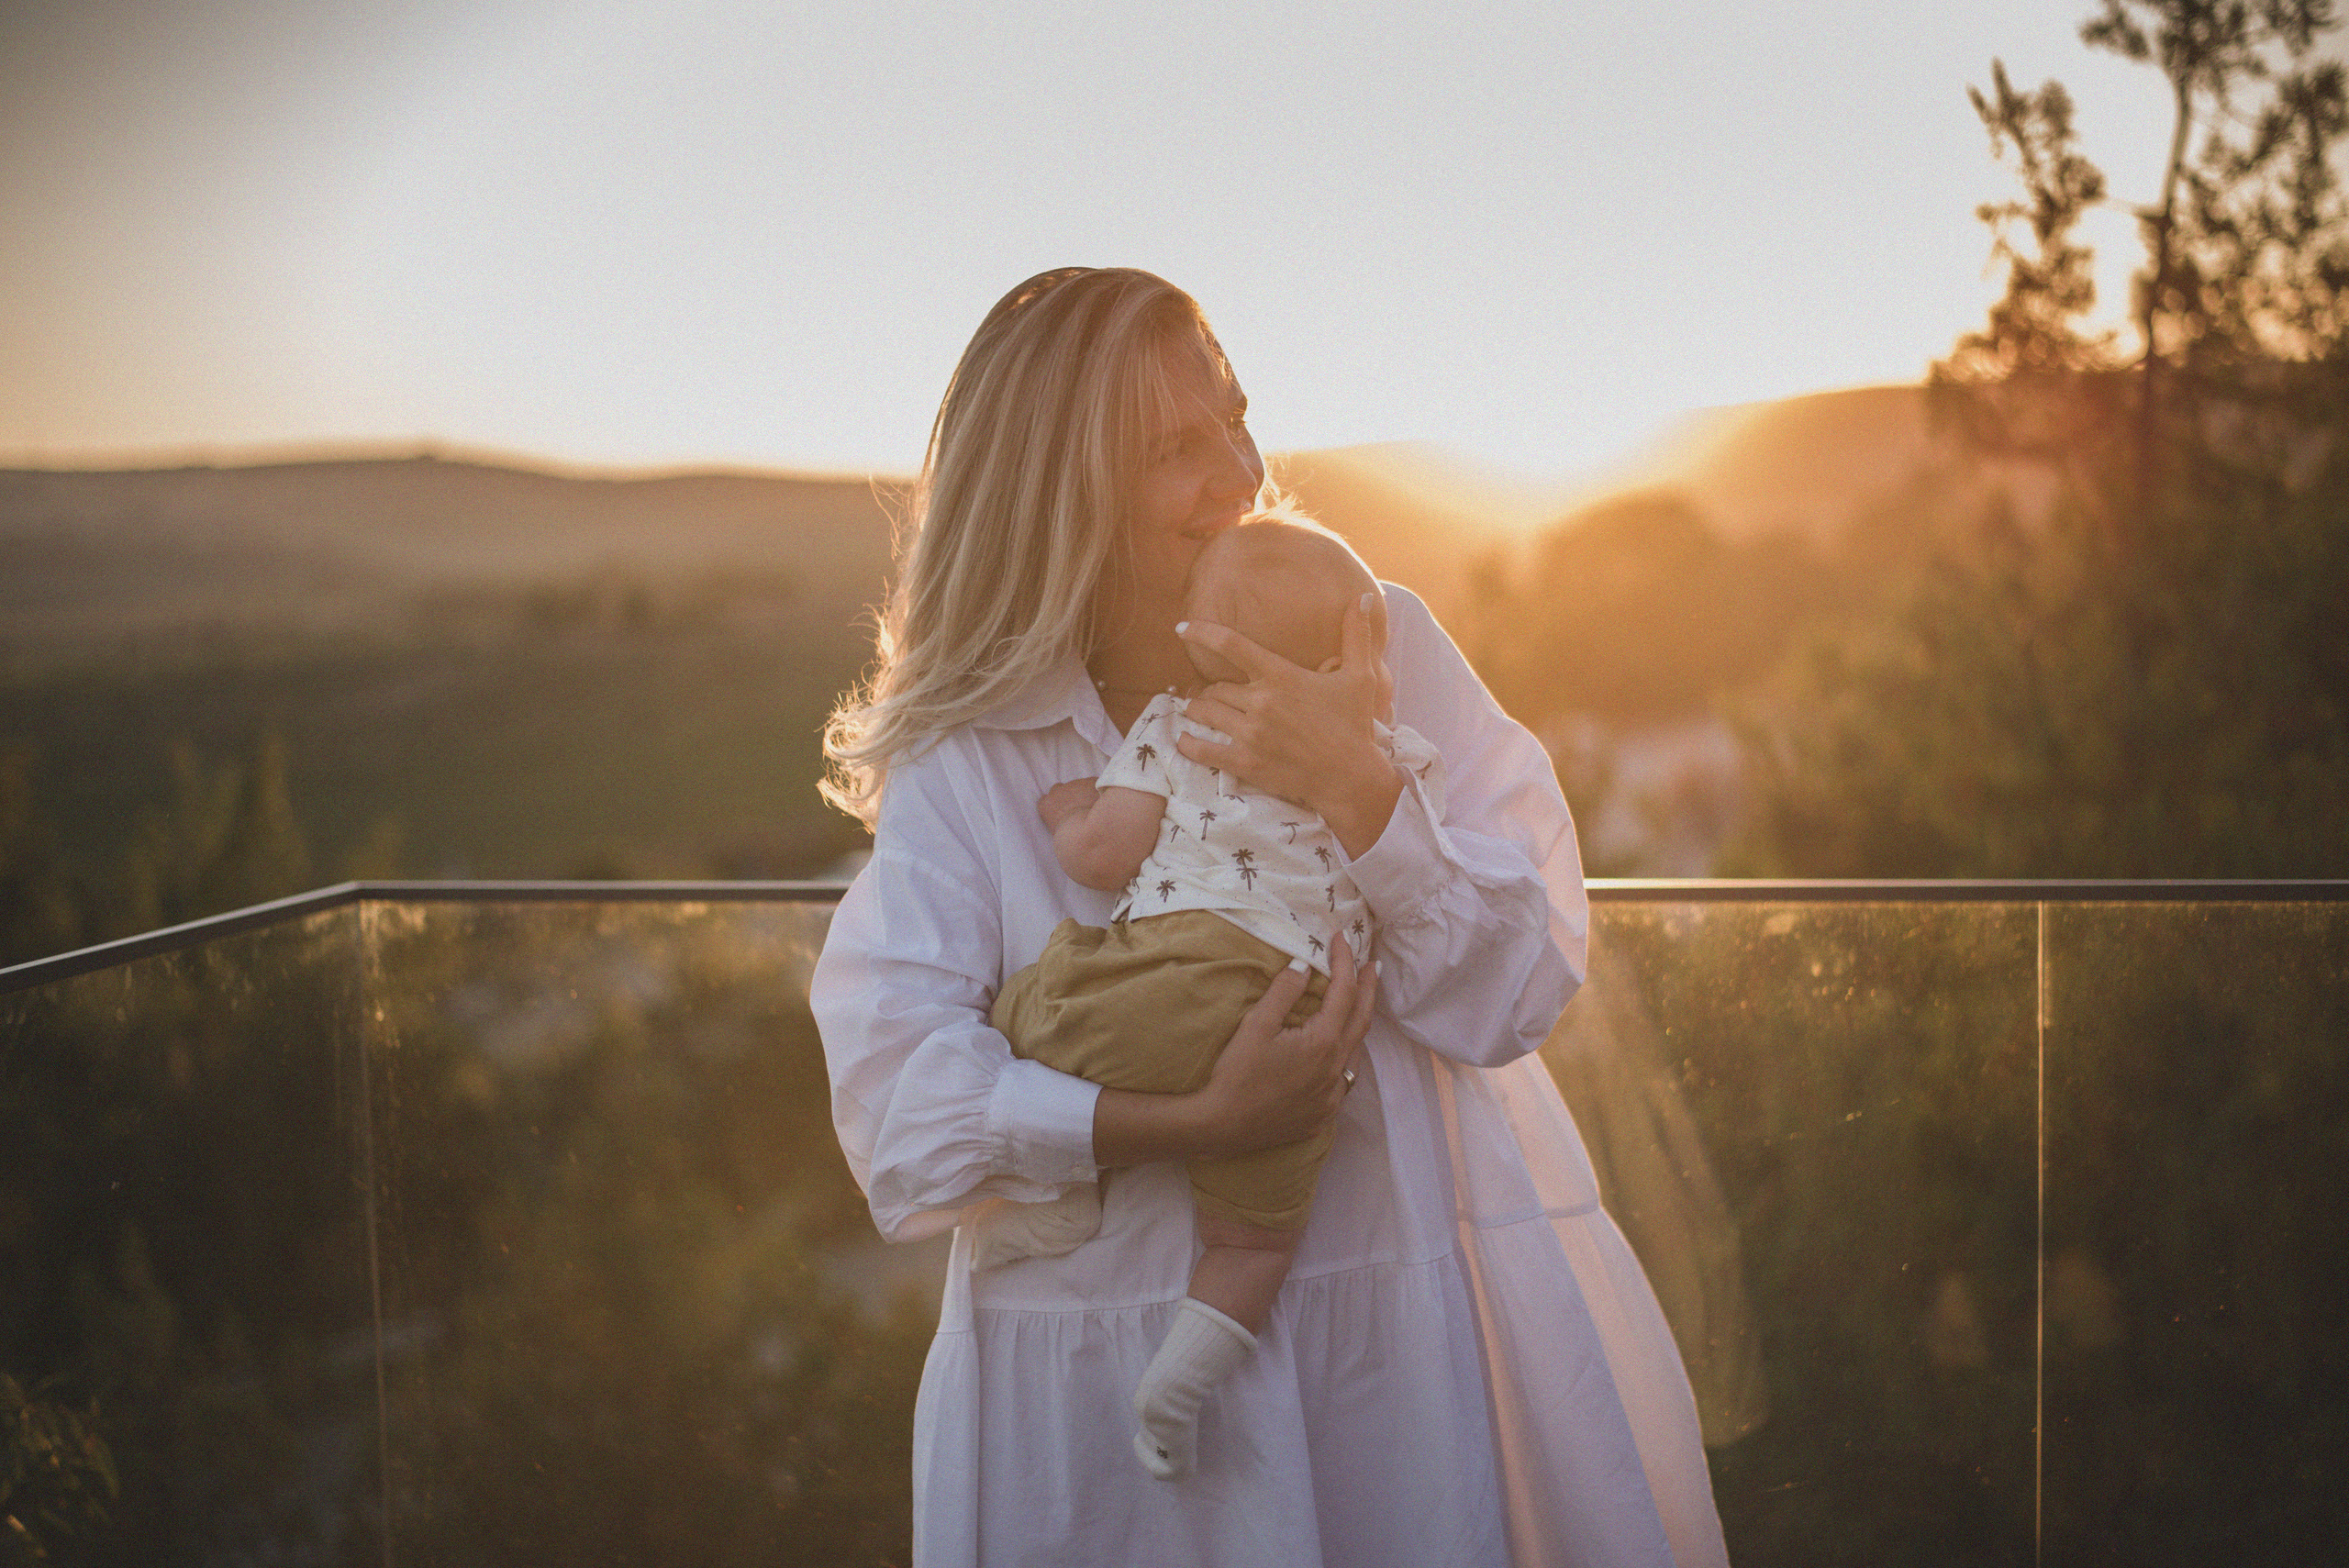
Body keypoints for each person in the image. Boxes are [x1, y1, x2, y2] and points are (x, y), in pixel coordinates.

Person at [810, 266, 1729, 1566]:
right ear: (1061, 490)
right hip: (1103, 1422)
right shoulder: (980, 757)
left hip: (1397, 1360)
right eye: (1175, 449)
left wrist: (1360, 791)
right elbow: (897, 1108)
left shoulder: (1375, 640)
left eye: (1236, 419)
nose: (1237, 469)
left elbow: (1520, 987)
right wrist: (1186, 1125)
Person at [989, 518, 1440, 1481]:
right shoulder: (1387, 755)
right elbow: (1423, 877)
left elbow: (1104, 855)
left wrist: (1069, 811)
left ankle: (1060, 1199)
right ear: (1343, 659)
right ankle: (1174, 1390)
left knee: (1031, 1009)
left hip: (1179, 976)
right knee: (1254, 1236)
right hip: (1306, 1018)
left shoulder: (1174, 724)